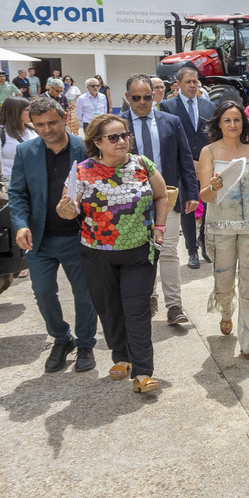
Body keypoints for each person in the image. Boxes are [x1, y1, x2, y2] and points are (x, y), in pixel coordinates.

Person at [56, 113, 169, 393]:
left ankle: (143, 372)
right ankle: (121, 356)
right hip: (97, 253)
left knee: (137, 310)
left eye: (125, 135)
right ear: (98, 142)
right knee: (109, 308)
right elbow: (65, 207)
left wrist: (160, 227)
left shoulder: (142, 164)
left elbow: (162, 194)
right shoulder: (81, 171)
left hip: (139, 252)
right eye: (114, 137)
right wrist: (65, 210)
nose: (122, 141)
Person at [6, 96, 98, 374]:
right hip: (39, 238)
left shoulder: (85, 149)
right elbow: (17, 192)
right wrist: (20, 224)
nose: (47, 129)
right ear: (32, 124)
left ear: (64, 118)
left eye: (52, 123)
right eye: (40, 124)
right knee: (43, 293)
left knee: (85, 295)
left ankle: (85, 343)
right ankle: (61, 338)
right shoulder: (26, 151)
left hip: (79, 237)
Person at [120, 74, 199, 325]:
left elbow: (184, 159)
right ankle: (149, 296)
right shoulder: (118, 126)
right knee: (140, 253)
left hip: (168, 198)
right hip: (131, 202)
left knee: (168, 252)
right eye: (136, 98)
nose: (143, 102)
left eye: (147, 96)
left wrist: (192, 193)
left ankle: (174, 306)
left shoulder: (171, 122)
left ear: (154, 96)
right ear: (127, 98)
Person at [197, 101, 249, 357]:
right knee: (224, 283)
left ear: (243, 123)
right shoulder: (209, 152)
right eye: (227, 120)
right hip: (221, 228)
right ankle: (226, 311)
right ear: (219, 123)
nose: (233, 125)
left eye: (237, 120)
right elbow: (204, 196)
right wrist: (214, 186)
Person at [161, 66, 216, 270]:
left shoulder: (208, 106)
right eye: (188, 82)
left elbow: (211, 136)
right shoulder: (167, 107)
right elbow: (169, 139)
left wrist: (203, 161)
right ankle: (191, 249)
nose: (193, 85)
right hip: (182, 166)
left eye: (195, 82)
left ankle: (204, 244)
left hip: (206, 164)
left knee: (209, 207)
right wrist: (188, 163)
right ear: (178, 84)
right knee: (188, 207)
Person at [0, 95, 36, 180]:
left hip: (32, 179)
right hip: (9, 182)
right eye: (27, 110)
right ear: (15, 111)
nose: (31, 113)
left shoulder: (33, 130)